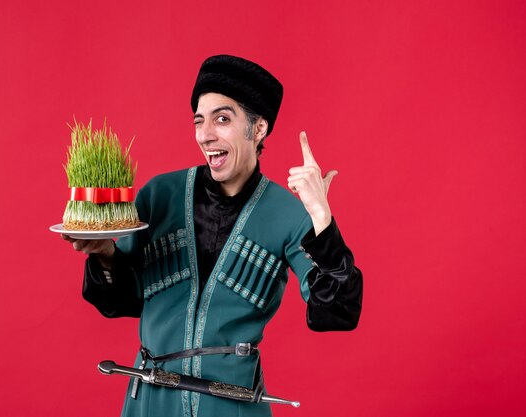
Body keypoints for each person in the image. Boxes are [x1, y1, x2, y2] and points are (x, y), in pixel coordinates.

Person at [63, 54, 363, 417]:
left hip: (234, 404)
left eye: (222, 119)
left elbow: (336, 313)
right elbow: (121, 302)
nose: (206, 135)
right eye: (199, 121)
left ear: (258, 129)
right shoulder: (159, 195)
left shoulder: (289, 215)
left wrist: (321, 218)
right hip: (152, 402)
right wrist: (105, 255)